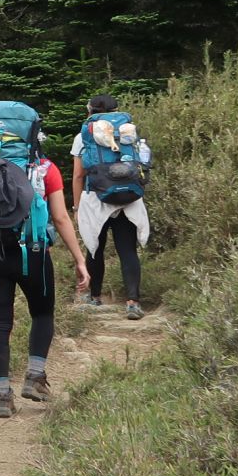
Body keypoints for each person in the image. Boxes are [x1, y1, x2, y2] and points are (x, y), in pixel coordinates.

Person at [0, 116, 90, 417]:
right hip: (32, 252)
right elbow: (61, 218)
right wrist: (79, 259)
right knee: (43, 312)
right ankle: (35, 378)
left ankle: (1, 395)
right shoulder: (45, 170)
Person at [71, 94, 150, 320]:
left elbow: (78, 175)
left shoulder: (82, 136)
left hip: (97, 198)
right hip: (129, 198)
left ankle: (94, 297)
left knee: (95, 248)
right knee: (128, 250)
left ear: (90, 111)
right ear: (116, 110)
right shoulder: (128, 132)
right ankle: (133, 302)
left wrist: (77, 207)